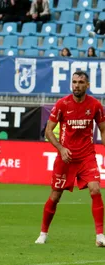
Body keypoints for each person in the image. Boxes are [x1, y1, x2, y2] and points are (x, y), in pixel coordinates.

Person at [35, 70, 105, 247]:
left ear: (87, 85)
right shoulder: (62, 104)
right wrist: (60, 148)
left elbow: (103, 129)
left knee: (95, 189)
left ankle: (100, 235)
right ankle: (43, 233)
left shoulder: (95, 105)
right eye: (74, 82)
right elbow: (49, 131)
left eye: (81, 82)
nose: (77, 85)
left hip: (87, 156)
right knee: (55, 195)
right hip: (65, 158)